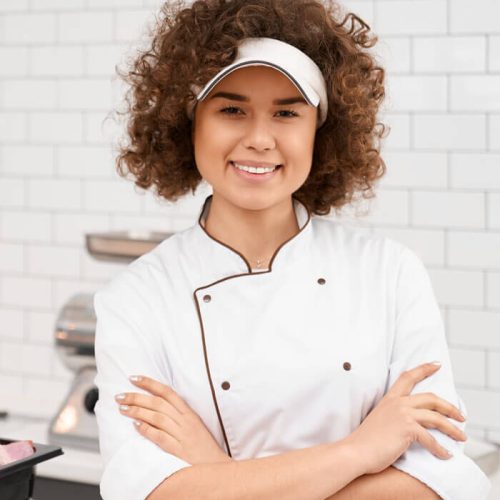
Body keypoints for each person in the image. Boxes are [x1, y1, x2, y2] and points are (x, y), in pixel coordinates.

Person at [93, 0, 492, 499]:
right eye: (232, 109)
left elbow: (442, 482)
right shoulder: (136, 298)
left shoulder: (389, 273)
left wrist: (216, 473)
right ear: (188, 122)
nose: (260, 139)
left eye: (287, 112)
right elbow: (146, 492)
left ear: (320, 134)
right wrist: (359, 452)